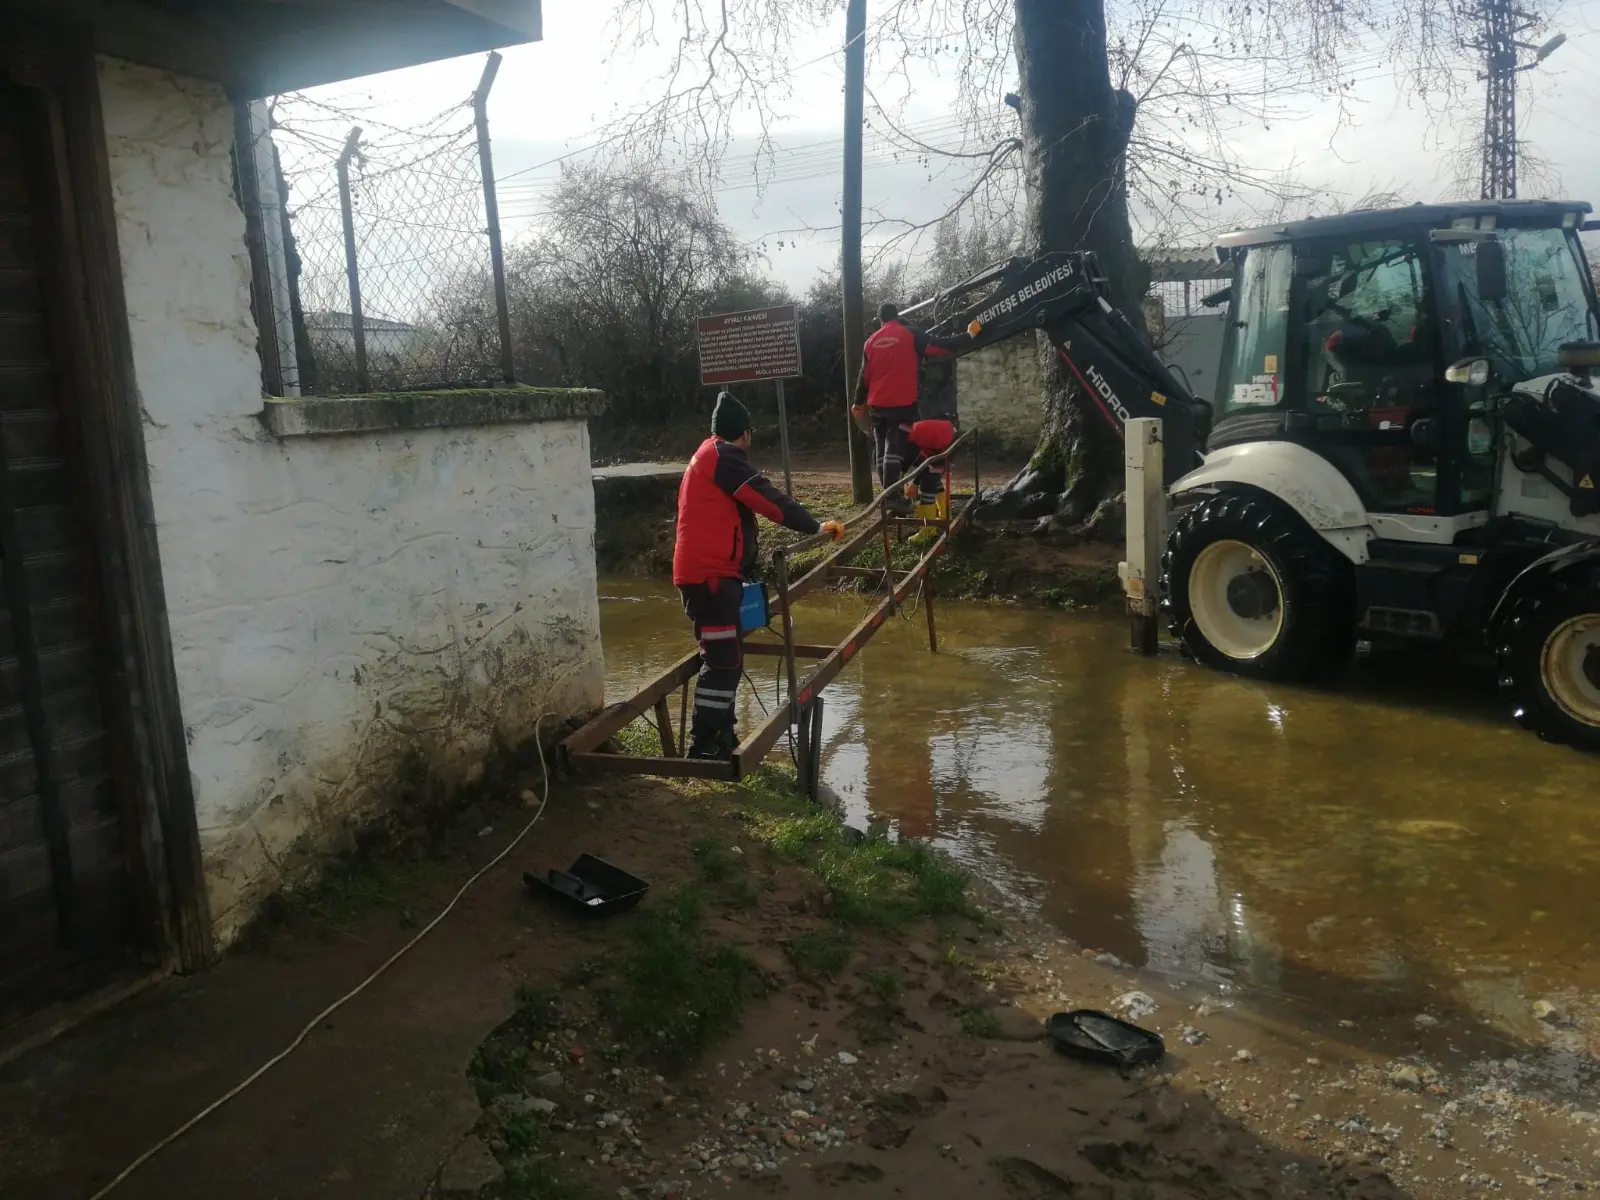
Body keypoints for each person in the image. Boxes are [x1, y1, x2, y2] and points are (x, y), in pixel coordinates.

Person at [673, 392, 845, 760]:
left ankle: (722, 737)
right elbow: (767, 500)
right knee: (722, 661)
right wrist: (815, 526)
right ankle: (703, 748)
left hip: (713, 575)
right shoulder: (724, 457)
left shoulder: (708, 453)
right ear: (746, 433)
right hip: (712, 577)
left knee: (726, 657)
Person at [852, 302, 968, 491]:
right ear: (897, 316)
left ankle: (888, 496)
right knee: (895, 447)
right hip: (902, 405)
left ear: (881, 320)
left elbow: (864, 377)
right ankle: (893, 496)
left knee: (882, 449)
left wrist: (857, 402)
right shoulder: (911, 334)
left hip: (877, 406)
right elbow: (942, 347)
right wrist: (968, 336)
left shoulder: (870, 342)